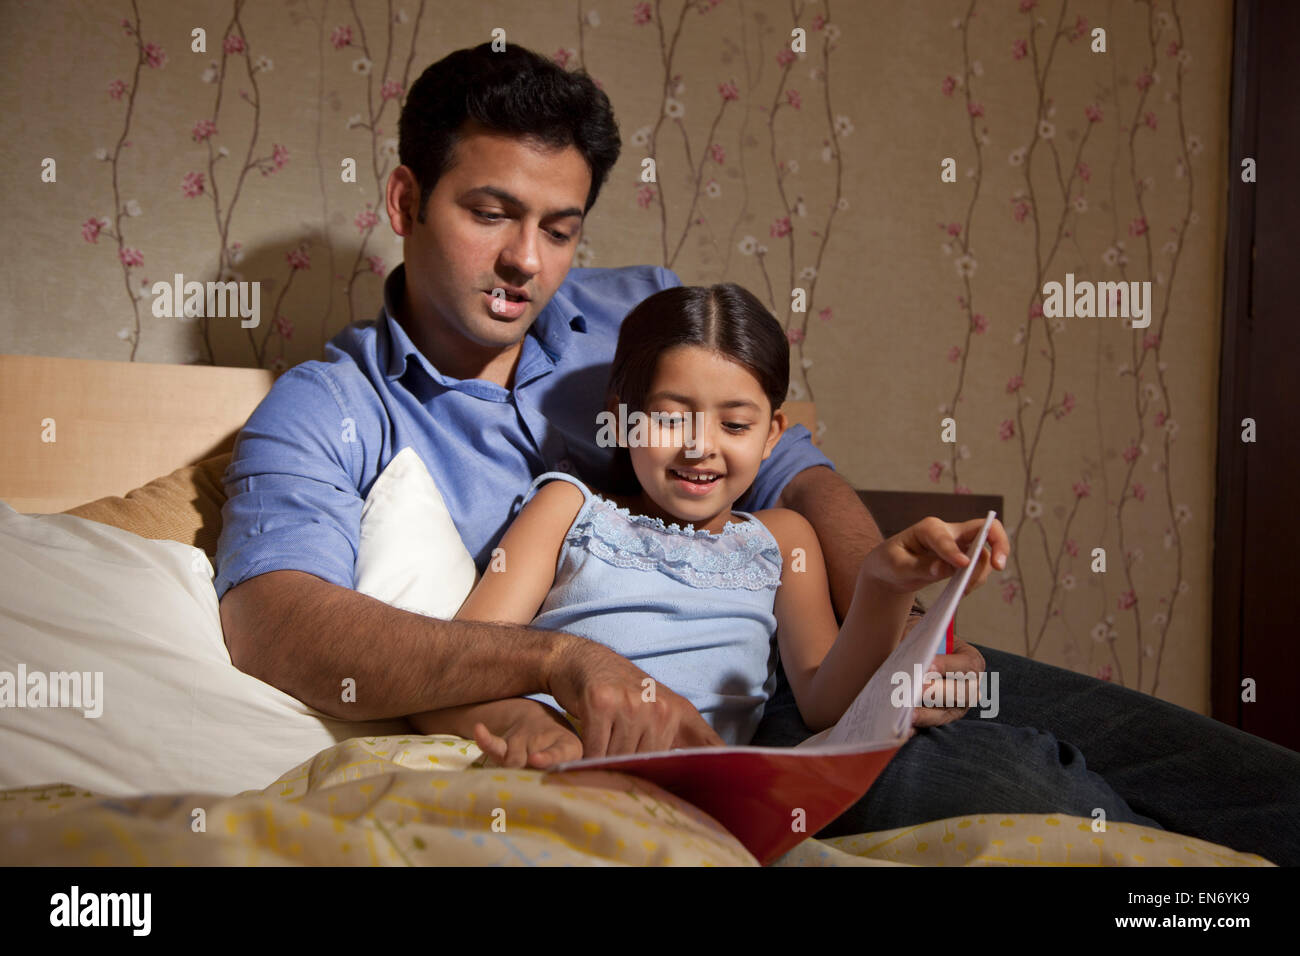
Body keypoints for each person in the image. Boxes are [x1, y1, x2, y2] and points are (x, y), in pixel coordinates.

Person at [215, 41, 1300, 865]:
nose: (524, 260)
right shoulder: (332, 405)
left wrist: (908, 641)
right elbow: (276, 615)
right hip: (702, 729)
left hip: (811, 645)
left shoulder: (637, 315)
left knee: (1221, 769)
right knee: (1043, 799)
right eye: (489, 212)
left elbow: (798, 471)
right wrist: (549, 669)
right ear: (405, 200)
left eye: (558, 225)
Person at [407, 282, 1008, 767]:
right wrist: (528, 723)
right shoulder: (569, 508)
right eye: (670, 419)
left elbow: (827, 702)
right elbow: (460, 665)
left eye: (736, 426)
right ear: (624, 420)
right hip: (555, 764)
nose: (701, 449)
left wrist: (882, 584)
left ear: (773, 435)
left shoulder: (783, 539)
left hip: (694, 794)